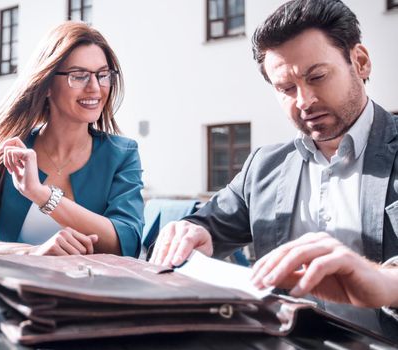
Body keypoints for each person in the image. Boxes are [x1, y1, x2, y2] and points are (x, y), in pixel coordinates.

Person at [150, 0, 398, 331]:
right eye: (285, 88)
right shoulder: (264, 167)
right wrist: (194, 231)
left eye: (318, 76)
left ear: (360, 62)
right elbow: (209, 225)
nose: (304, 100)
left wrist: (385, 282)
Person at [0, 22, 144, 262]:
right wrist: (31, 253)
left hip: (90, 296)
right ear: (48, 85)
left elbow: (127, 242)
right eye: (79, 76)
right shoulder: (7, 148)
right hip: (12, 295)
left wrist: (41, 194)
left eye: (103, 75)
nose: (95, 87)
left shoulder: (123, 154)